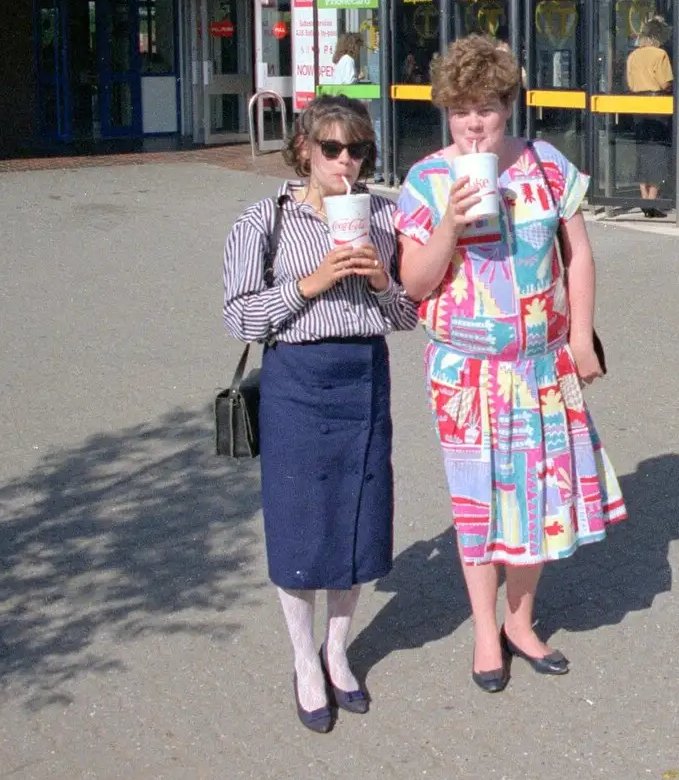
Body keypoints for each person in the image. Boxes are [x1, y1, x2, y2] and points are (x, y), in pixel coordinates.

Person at [395, 35, 626, 694]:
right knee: (479, 508)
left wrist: (580, 336)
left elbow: (577, 254)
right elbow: (413, 285)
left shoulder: (547, 165)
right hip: (464, 374)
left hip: (540, 366)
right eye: (462, 109)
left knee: (538, 500)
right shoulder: (428, 179)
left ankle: (521, 624)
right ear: (446, 109)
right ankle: (482, 630)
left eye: (488, 109)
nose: (474, 123)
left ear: (508, 108)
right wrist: (447, 224)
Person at [222, 96, 419, 733]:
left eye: (358, 149)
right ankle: (304, 659)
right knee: (299, 520)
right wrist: (313, 280)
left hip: (364, 375)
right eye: (332, 148)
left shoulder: (385, 217)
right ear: (304, 147)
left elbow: (410, 317)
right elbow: (240, 317)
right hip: (297, 382)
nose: (346, 162)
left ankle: (338, 649)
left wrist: (383, 284)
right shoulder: (263, 222)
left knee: (359, 518)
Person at [625, 15, 674, 218]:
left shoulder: (633, 56)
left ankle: (643, 196)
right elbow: (665, 83)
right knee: (658, 152)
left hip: (637, 104)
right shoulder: (660, 54)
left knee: (642, 150)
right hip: (656, 103)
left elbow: (629, 83)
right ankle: (652, 201)